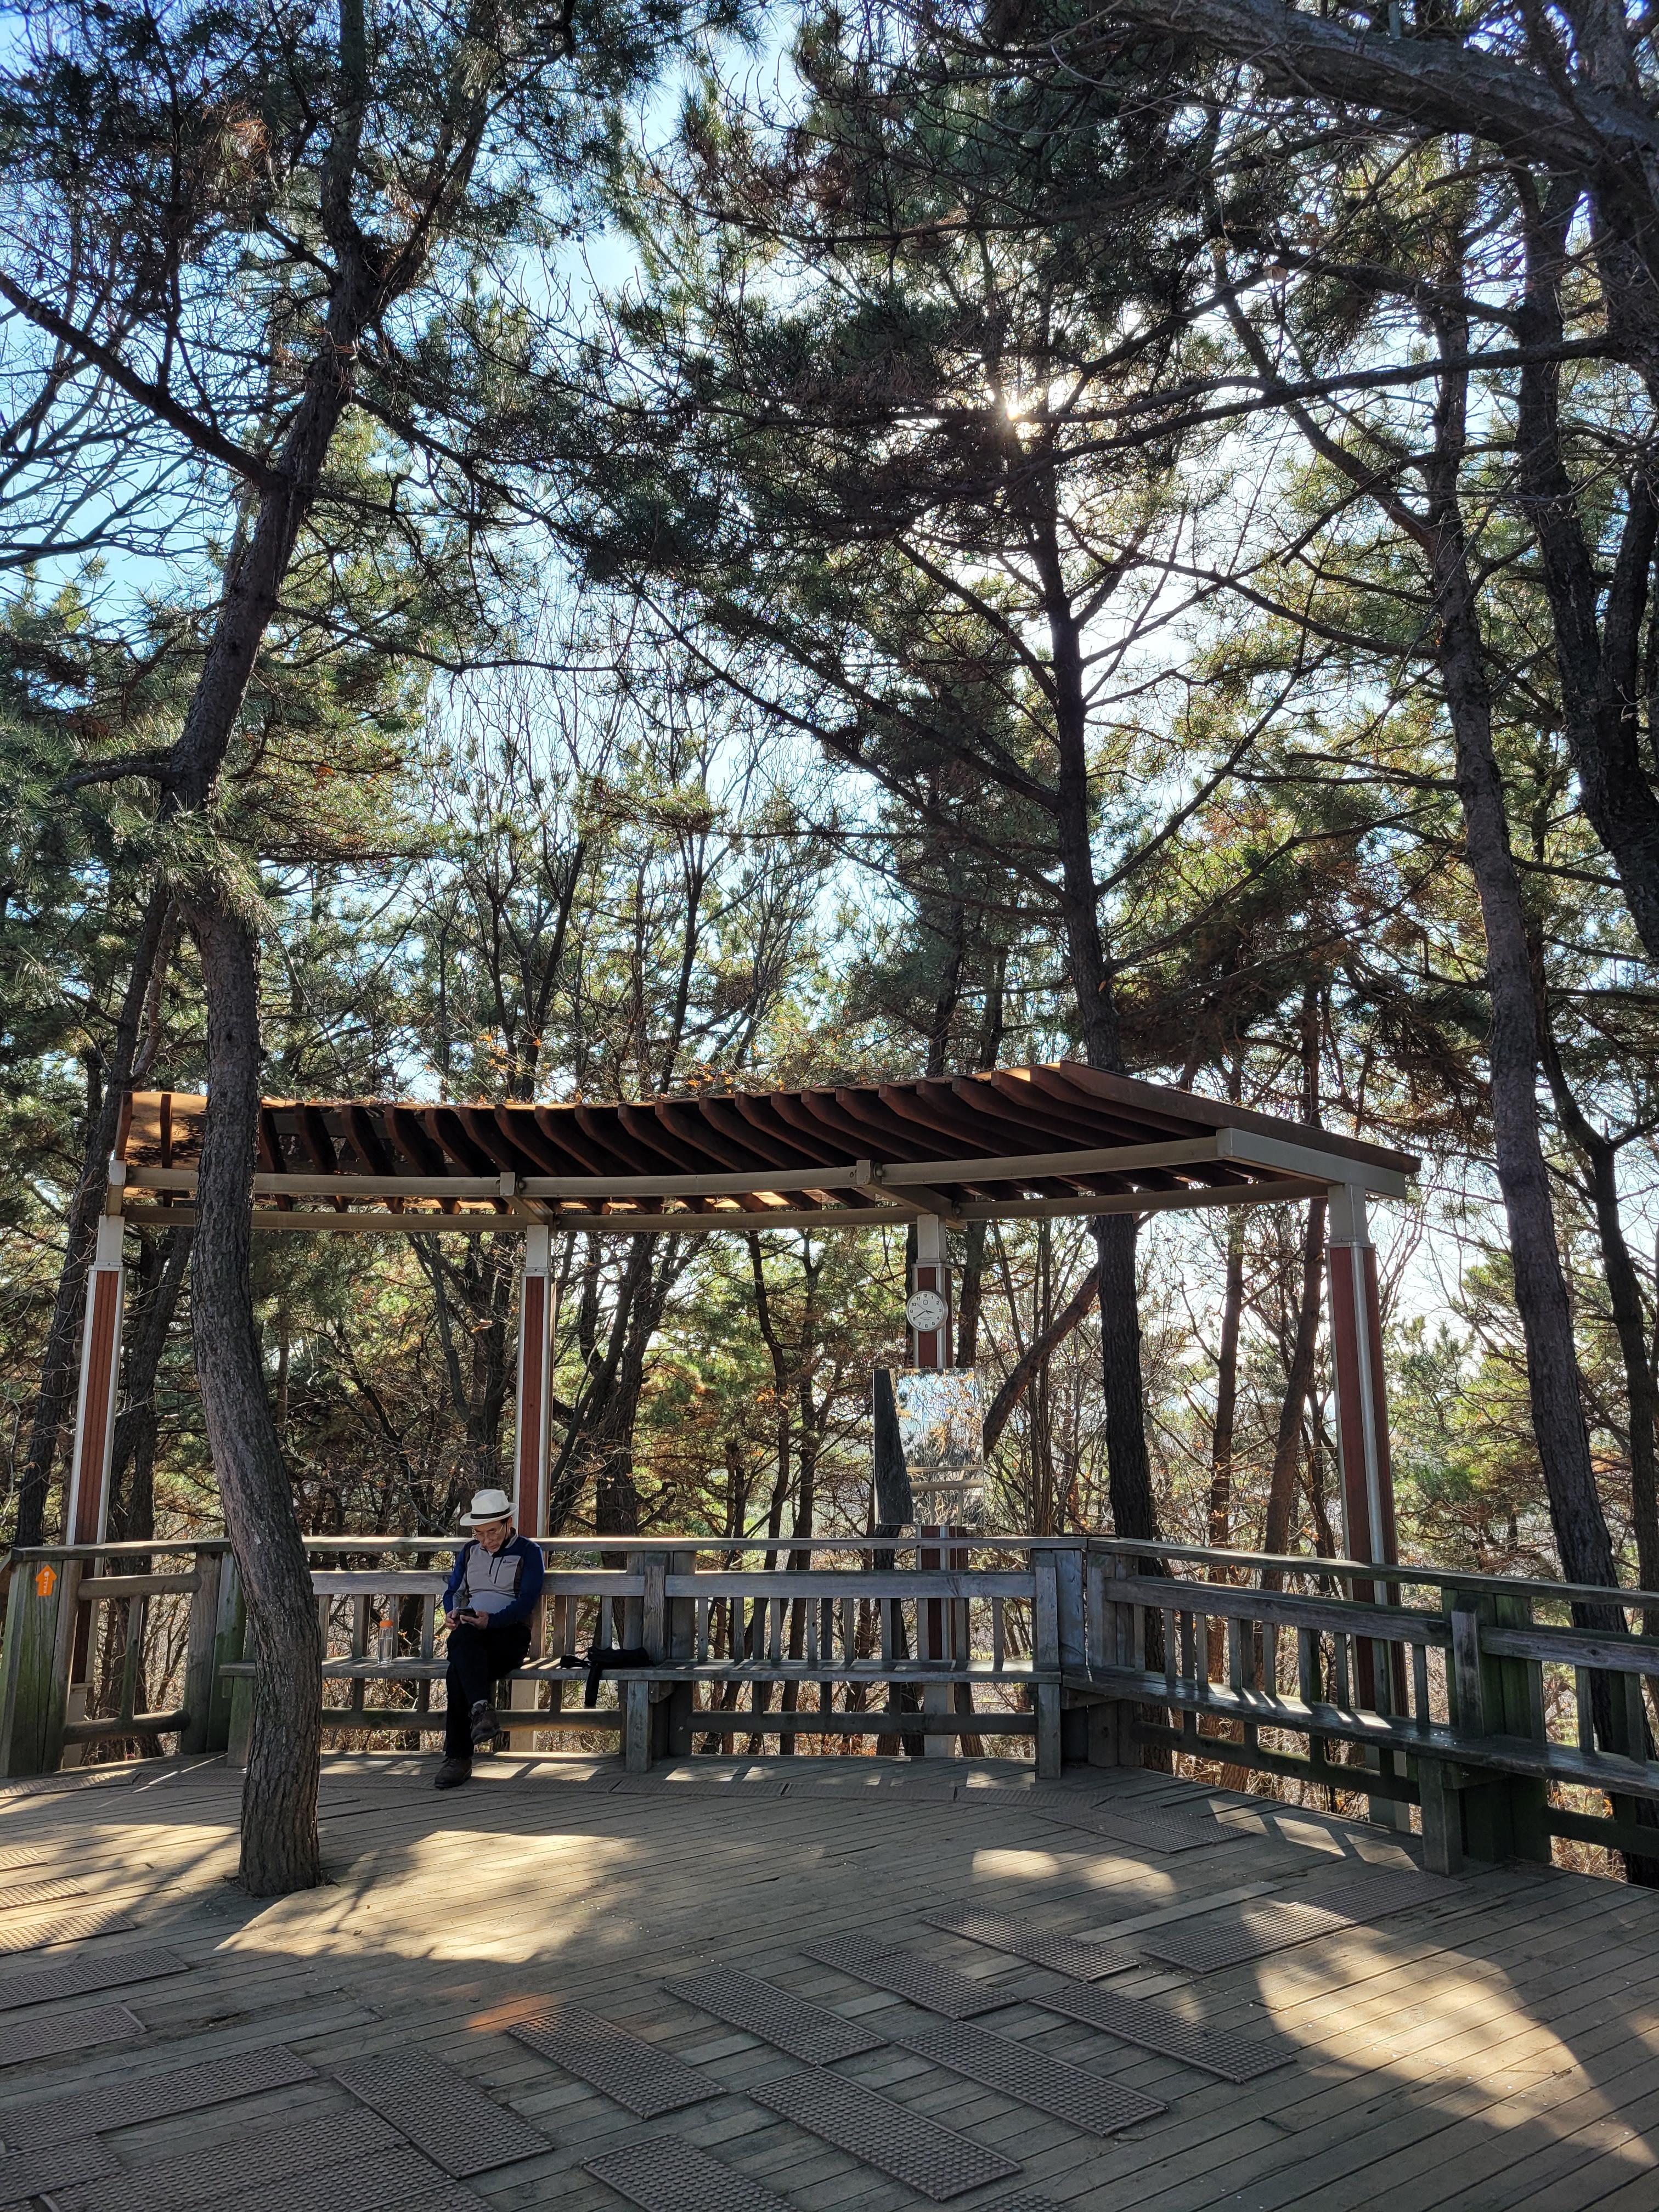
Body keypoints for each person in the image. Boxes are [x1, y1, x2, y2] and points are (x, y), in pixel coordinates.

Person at [433, 1488, 546, 1791]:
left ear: (509, 1523)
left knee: (457, 1669)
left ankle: (458, 1758)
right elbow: (454, 1592)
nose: (486, 1540)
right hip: (472, 1634)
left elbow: (527, 1601)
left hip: (509, 1635)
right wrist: (452, 1613)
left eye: (492, 1532)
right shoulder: (469, 1552)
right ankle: (482, 1710)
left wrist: (492, 1621)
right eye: (479, 1534)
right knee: (462, 1642)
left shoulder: (529, 1552)